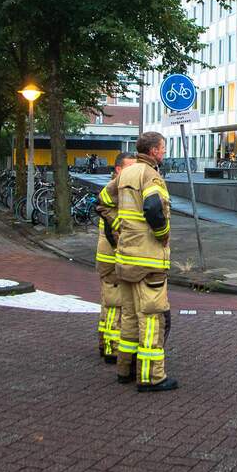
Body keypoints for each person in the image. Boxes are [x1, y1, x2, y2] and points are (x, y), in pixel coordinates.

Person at [111, 131, 178, 392]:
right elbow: (153, 208)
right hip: (148, 257)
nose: (164, 153)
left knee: (128, 316)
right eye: (162, 148)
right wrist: (162, 235)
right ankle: (151, 377)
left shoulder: (126, 173)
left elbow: (105, 201)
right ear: (152, 151)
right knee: (152, 317)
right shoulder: (151, 175)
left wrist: (121, 228)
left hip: (126, 255)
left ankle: (124, 369)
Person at [94, 151, 136, 364]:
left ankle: (104, 340)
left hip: (107, 254)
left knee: (108, 300)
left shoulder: (113, 190)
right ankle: (112, 346)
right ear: (118, 170)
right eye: (130, 168)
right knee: (114, 302)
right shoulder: (115, 192)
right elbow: (113, 229)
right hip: (112, 255)